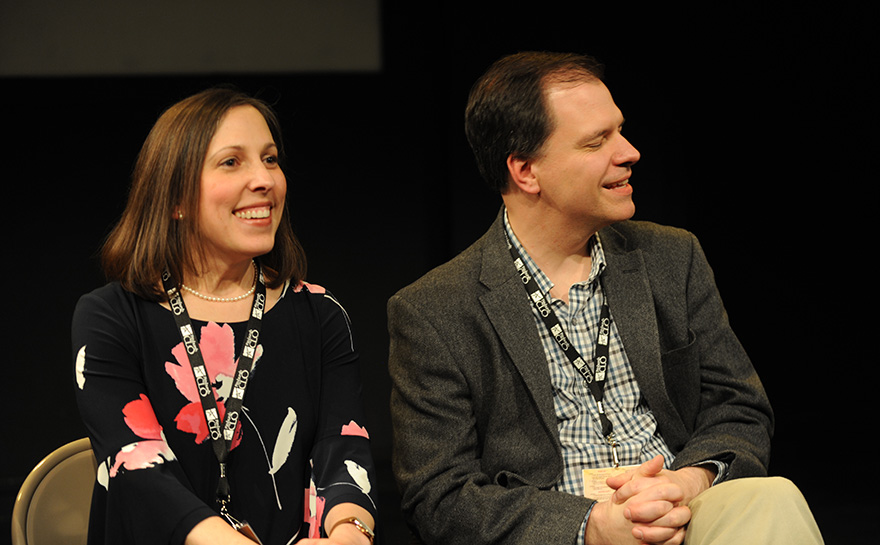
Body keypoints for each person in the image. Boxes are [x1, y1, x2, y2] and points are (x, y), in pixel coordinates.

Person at [387, 52, 823, 545]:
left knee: (773, 497)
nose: (630, 151)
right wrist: (591, 526)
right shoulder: (434, 309)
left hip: (686, 515)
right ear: (526, 171)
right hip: (561, 532)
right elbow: (439, 498)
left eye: (619, 131)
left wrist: (686, 482)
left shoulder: (671, 257)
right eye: (597, 141)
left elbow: (738, 407)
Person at [72, 88, 377, 545]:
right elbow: (136, 464)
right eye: (232, 162)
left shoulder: (320, 314)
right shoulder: (109, 317)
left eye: (270, 159)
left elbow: (343, 444)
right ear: (174, 198)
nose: (264, 180)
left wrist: (350, 532)